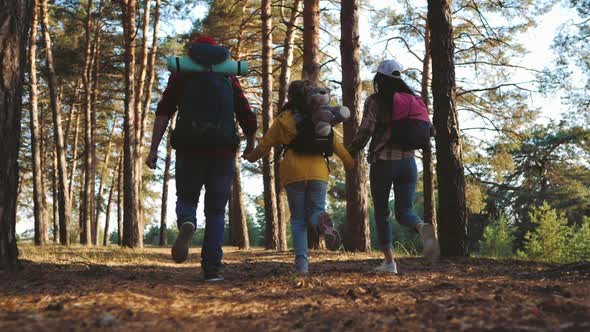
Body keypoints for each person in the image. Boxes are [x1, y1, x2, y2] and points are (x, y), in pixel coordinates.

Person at [146, 36, 257, 282]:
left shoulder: (183, 72)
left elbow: (164, 110)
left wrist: (153, 149)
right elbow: (246, 114)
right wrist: (250, 145)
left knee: (186, 196)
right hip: (223, 151)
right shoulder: (228, 75)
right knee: (216, 211)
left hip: (189, 147)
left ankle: (187, 221)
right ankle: (212, 269)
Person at [245, 80, 354, 275]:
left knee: (297, 220)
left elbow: (265, 145)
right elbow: (335, 143)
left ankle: (302, 264)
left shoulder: (284, 118)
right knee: (316, 210)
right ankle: (323, 224)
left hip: (292, 170)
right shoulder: (319, 117)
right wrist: (349, 162)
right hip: (318, 170)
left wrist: (251, 157)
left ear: (291, 97)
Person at [348, 59, 440, 274]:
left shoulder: (375, 101)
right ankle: (420, 226)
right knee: (404, 211)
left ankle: (390, 262)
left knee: (382, 213)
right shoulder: (413, 99)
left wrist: (352, 150)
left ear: (379, 78)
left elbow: (366, 130)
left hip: (384, 162)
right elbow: (431, 131)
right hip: (409, 163)